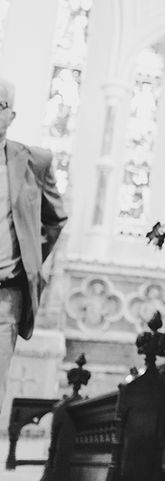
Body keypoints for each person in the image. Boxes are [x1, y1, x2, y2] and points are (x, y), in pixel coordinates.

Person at [0, 76, 67, 405]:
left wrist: (26, 258)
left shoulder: (35, 162)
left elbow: (54, 218)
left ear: (11, 115)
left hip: (5, 296)